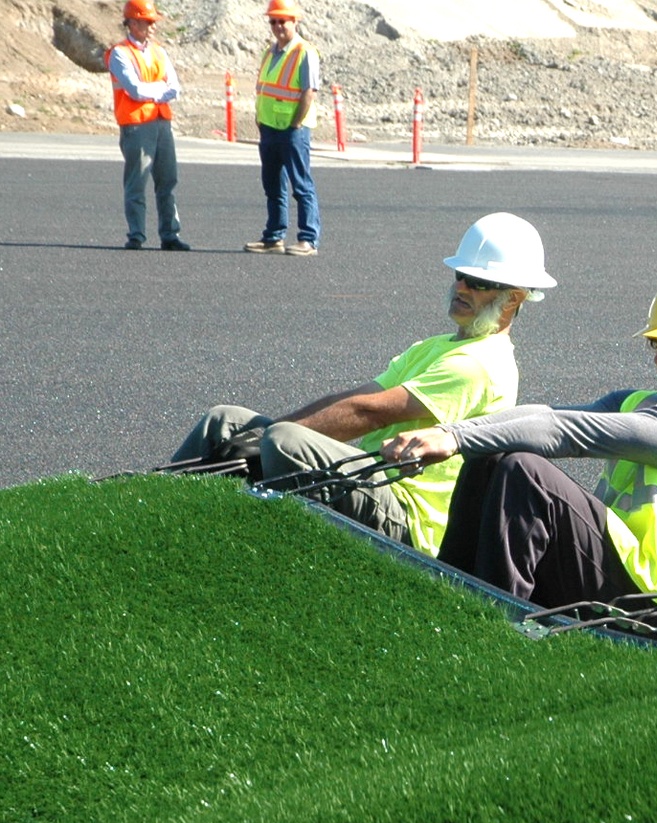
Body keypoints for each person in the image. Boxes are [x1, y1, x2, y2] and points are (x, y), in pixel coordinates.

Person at [169, 213, 551, 556]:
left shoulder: (481, 365)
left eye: (479, 282)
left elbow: (368, 413)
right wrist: (259, 433)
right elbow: (360, 396)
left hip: (407, 516)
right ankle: (160, 508)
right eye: (459, 275)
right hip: (371, 477)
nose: (462, 287)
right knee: (226, 421)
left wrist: (268, 437)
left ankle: (230, 539)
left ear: (513, 297)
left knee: (283, 442)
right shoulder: (438, 346)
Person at [380, 275, 657, 609]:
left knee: (525, 473)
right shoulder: (651, 404)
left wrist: (452, 435)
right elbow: (544, 415)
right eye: (656, 344)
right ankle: (447, 596)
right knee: (492, 455)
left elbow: (563, 431)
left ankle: (494, 620)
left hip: (655, 603)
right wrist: (462, 435)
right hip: (624, 575)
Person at [106, 0, 187, 252]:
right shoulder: (119, 53)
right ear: (132, 22)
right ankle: (136, 235)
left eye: (153, 22)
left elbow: (175, 87)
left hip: (161, 123)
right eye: (147, 21)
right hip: (137, 126)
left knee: (167, 181)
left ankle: (170, 235)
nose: (152, 27)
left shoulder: (159, 51)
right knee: (137, 181)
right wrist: (159, 90)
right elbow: (134, 89)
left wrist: (155, 91)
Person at [245, 0, 321, 256]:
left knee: (301, 185)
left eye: (282, 21)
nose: (277, 26)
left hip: (292, 130)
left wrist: (296, 123)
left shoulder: (304, 52)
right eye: (273, 21)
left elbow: (308, 92)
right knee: (273, 185)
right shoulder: (270, 51)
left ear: (294, 22)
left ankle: (308, 239)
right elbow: (265, 88)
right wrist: (260, 118)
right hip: (268, 128)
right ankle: (274, 236)